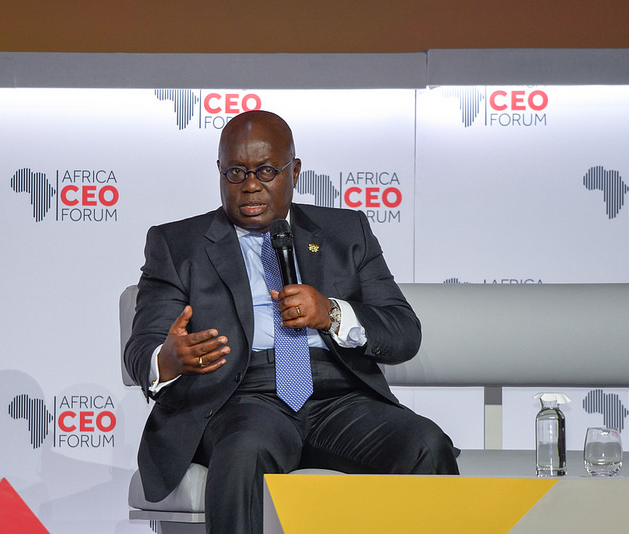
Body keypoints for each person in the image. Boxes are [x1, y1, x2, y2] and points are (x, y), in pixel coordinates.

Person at [124, 110, 458, 533]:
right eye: (235, 172)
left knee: (425, 445)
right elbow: (142, 348)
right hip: (242, 399)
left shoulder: (346, 232)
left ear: (294, 171)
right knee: (243, 453)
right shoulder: (177, 244)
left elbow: (403, 332)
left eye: (266, 171)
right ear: (219, 171)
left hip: (339, 397)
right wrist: (168, 359)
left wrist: (331, 313)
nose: (250, 185)